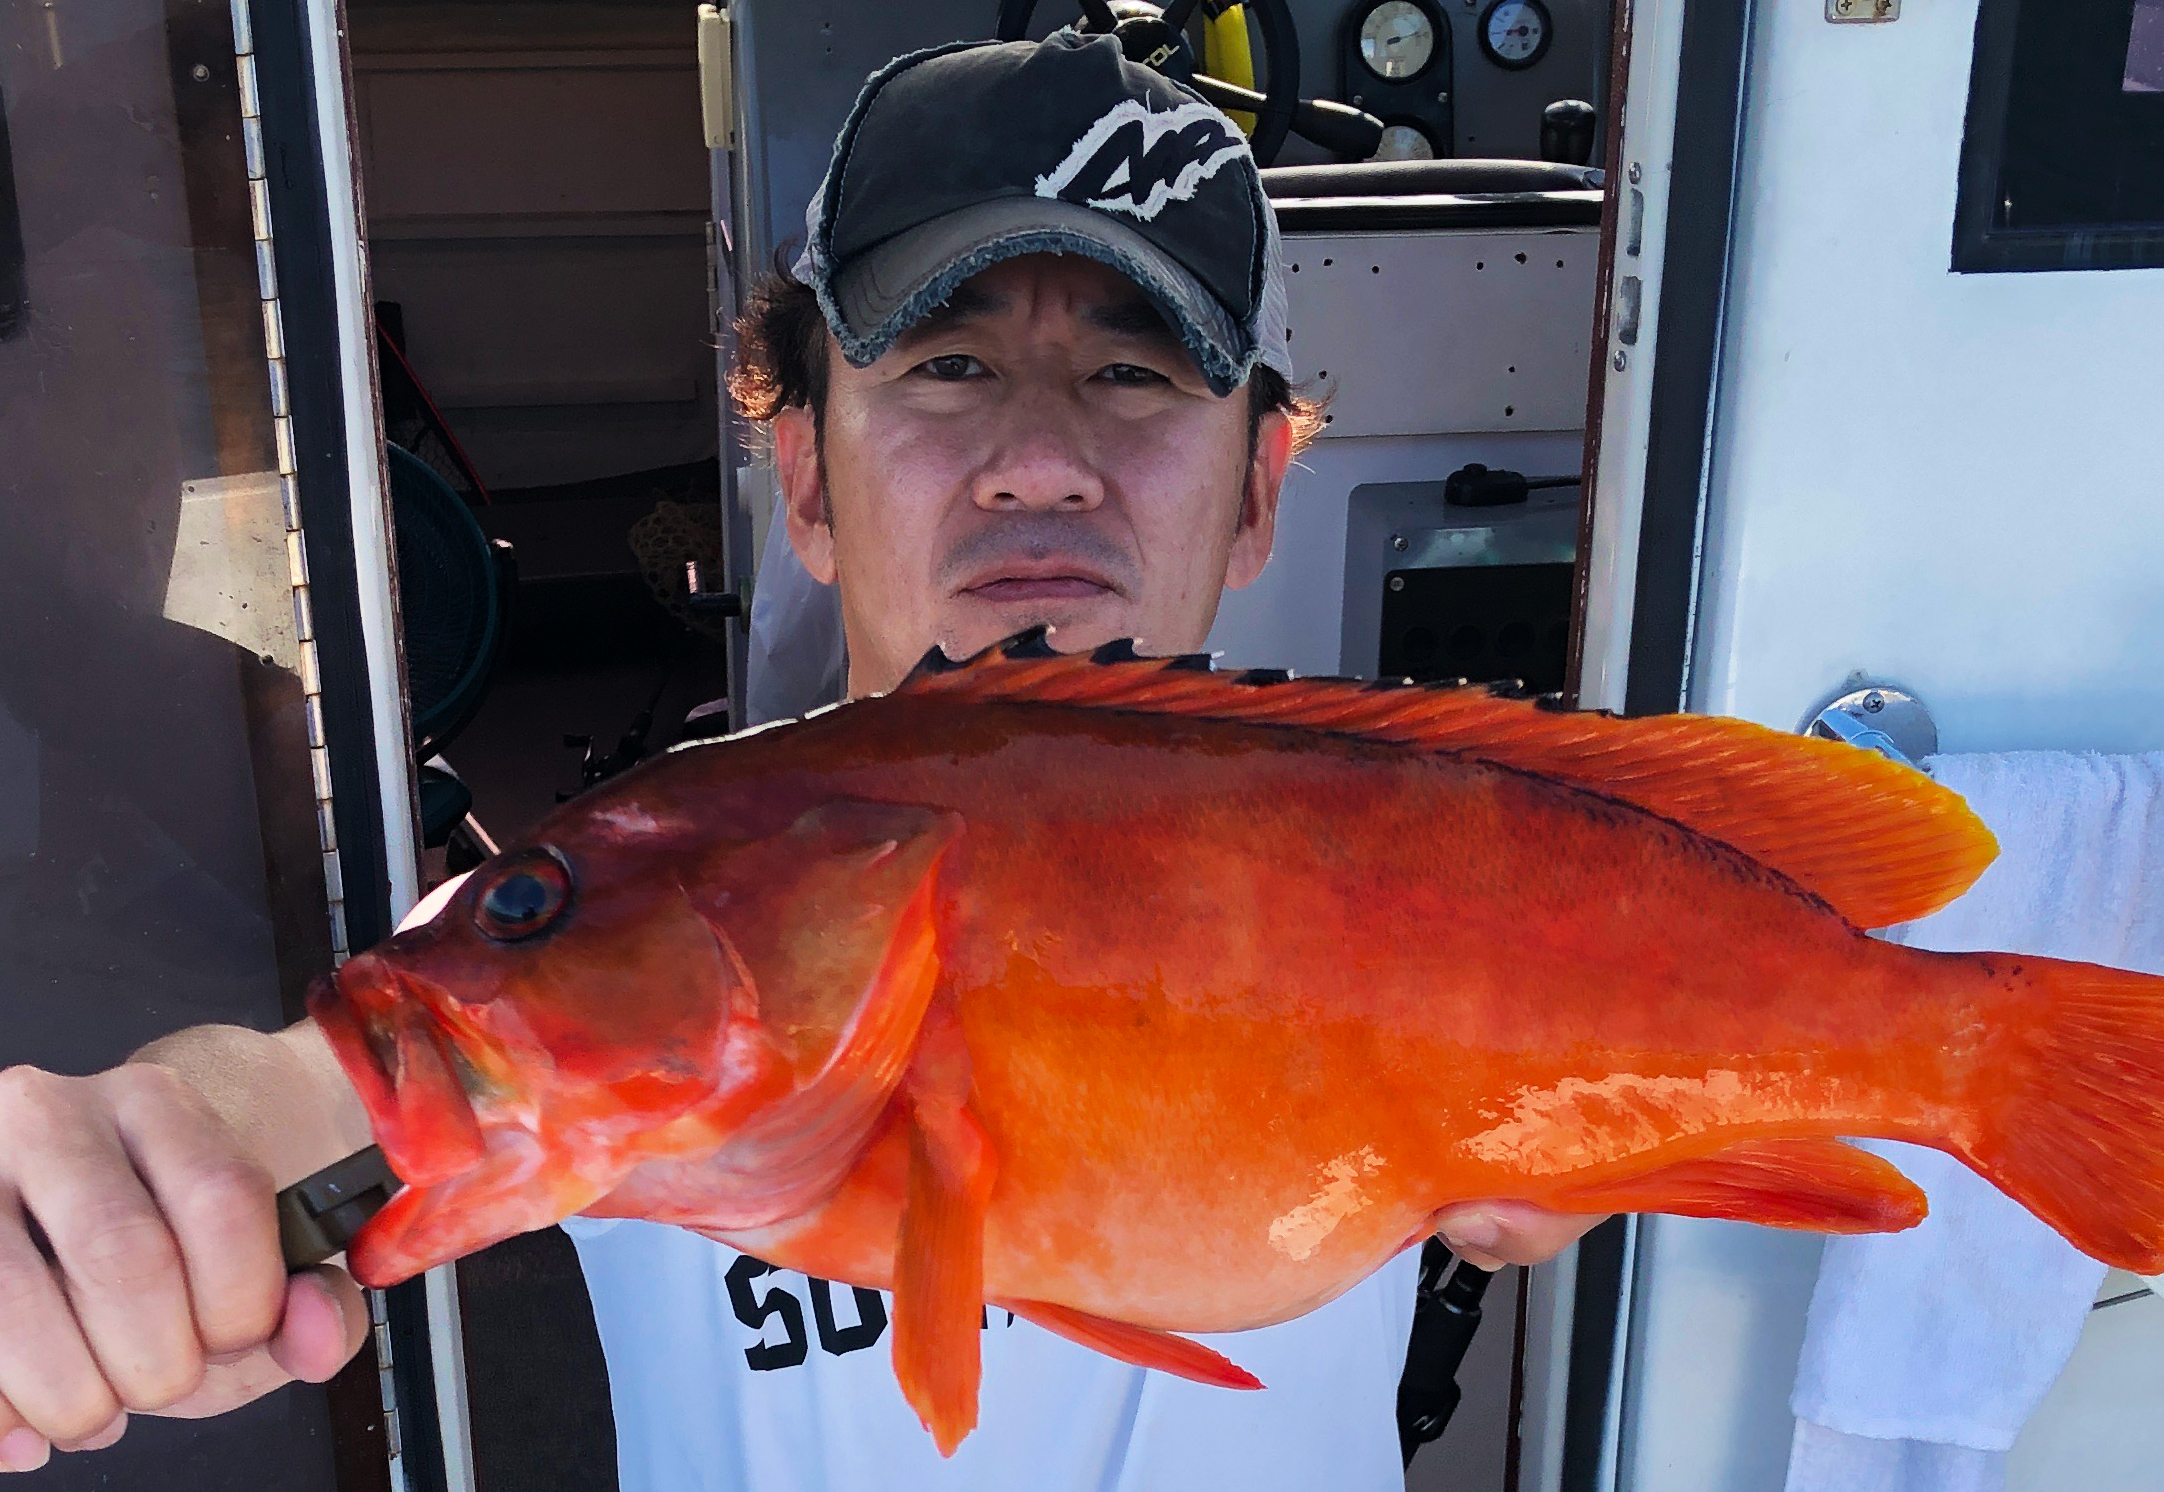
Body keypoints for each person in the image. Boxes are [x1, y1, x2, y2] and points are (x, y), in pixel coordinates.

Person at [0, 33, 1602, 1487]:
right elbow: (317, 1086)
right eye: (945, 366)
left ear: (1259, 491)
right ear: (806, 478)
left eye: (1135, 373)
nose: (1040, 463)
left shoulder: (1425, 865)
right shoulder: (661, 883)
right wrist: (141, 1188)